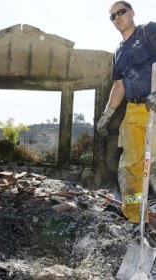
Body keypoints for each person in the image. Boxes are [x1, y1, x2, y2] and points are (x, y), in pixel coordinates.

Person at [97, 1, 156, 223]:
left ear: (131, 12)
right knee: (130, 165)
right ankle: (134, 217)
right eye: (113, 16)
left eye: (121, 12)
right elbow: (119, 86)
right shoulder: (118, 53)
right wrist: (107, 114)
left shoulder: (148, 31)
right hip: (133, 111)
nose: (117, 17)